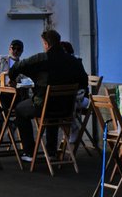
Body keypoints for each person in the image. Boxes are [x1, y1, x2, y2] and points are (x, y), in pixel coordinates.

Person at [9, 28, 88, 161]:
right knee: (53, 111)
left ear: (46, 44)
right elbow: (84, 81)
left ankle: (29, 152)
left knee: (20, 109)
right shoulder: (73, 61)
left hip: (44, 105)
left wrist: (12, 77)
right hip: (66, 108)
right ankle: (51, 152)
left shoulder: (41, 58)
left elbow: (17, 67)